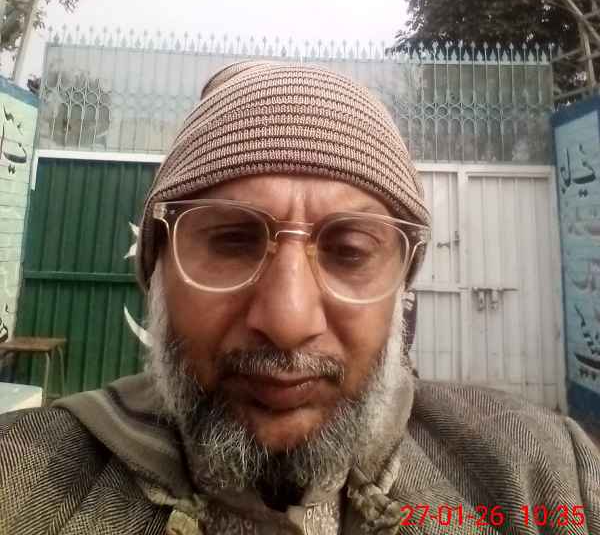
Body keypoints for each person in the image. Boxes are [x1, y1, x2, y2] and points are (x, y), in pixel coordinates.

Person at [1, 60, 598, 534]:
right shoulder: (22, 482)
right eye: (233, 241)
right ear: (159, 271)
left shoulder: (542, 478)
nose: (287, 321)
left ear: (401, 289)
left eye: (350, 251)